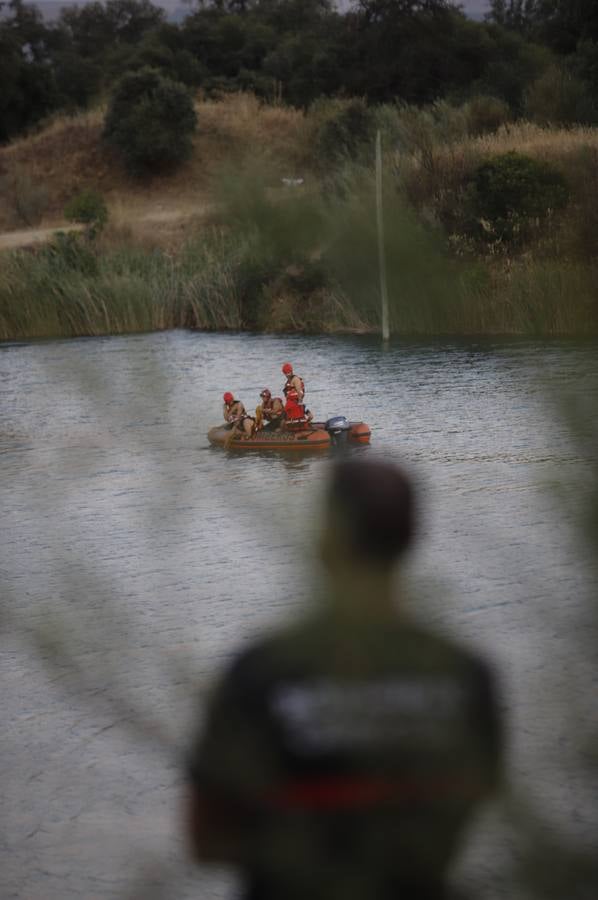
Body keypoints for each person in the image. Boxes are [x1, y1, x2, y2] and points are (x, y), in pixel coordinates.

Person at [185, 459, 502, 900]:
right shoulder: (468, 677)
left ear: (325, 538)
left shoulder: (261, 672)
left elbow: (207, 839)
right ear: (411, 537)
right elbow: (469, 810)